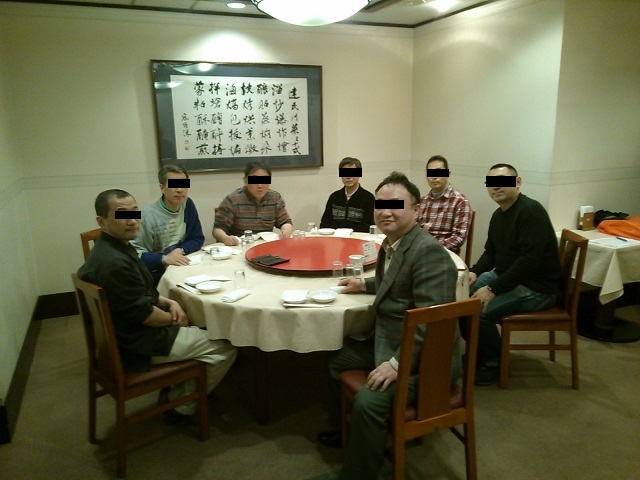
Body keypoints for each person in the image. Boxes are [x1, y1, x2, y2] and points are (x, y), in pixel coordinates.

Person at [316, 172, 459, 479]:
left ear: (417, 210)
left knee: (368, 402)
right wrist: (363, 284)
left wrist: (396, 363)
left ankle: (359, 473)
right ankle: (350, 435)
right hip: (388, 339)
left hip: (424, 361)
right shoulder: (391, 243)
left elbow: (432, 323)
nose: (386, 212)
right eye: (381, 205)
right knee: (335, 361)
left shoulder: (428, 252)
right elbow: (395, 281)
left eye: (396, 205)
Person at [78, 189, 237, 422]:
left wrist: (168, 301)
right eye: (122, 214)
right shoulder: (115, 264)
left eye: (135, 211)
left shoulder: (112, 247)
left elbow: (136, 293)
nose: (132, 220)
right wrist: (177, 318)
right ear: (101, 222)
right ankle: (181, 405)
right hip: (138, 345)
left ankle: (185, 384)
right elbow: (148, 317)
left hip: (127, 332)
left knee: (198, 323)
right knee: (226, 346)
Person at [468, 163, 561, 386]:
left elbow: (529, 262)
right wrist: (474, 272)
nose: (496, 187)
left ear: (518, 182)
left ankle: (494, 362)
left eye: (503, 181)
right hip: (510, 277)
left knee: (480, 310)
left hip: (537, 287)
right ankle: (478, 351)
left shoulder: (530, 212)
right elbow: (491, 252)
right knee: (462, 297)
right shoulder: (498, 215)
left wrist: (493, 289)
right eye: (491, 183)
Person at [130, 164, 204, 285]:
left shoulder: (187, 204)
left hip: (182, 265)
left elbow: (197, 238)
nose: (180, 190)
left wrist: (180, 250)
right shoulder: (146, 216)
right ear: (162, 188)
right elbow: (134, 254)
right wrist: (164, 259)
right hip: (156, 275)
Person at [213, 161, 293, 246]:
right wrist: (225, 238)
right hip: (240, 246)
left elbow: (285, 222)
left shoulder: (275, 198)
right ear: (245, 180)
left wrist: (286, 230)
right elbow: (217, 229)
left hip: (265, 246)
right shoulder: (233, 199)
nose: (260, 185)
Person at [418, 155, 472, 255]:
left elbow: (459, 238)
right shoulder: (421, 201)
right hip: (419, 252)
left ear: (448, 174)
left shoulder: (460, 201)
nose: (434, 177)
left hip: (444, 254)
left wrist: (432, 248)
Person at [319, 157, 375, 232]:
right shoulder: (334, 197)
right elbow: (325, 223)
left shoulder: (368, 198)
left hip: (357, 237)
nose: (348, 177)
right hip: (335, 236)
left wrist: (348, 233)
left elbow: (369, 225)